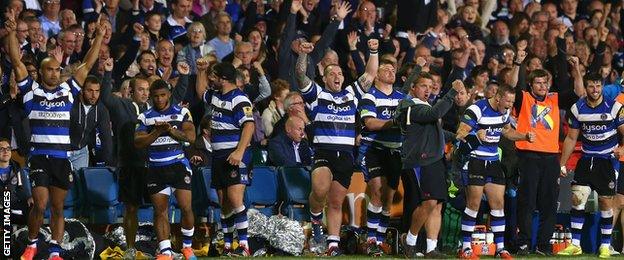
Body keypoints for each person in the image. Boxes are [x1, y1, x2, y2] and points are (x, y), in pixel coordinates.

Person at [6, 10, 106, 260]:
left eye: (57, 69)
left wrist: (99, 38)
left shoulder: (68, 91)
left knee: (59, 207)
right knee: (40, 205)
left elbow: (88, 64)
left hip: (62, 158)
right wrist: (10, 35)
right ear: (40, 73)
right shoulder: (30, 92)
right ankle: (31, 244)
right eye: (49, 70)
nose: (54, 72)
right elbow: (17, 61)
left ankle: (54, 250)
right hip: (39, 157)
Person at [295, 35, 378, 255]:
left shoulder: (351, 94)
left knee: (335, 202)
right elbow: (300, 75)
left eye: (340, 73)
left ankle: (332, 244)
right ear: (324, 78)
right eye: (332, 73)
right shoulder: (317, 94)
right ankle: (314, 219)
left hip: (347, 156)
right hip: (324, 152)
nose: (337, 76)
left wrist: (374, 51)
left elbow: (370, 74)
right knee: (320, 190)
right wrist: (303, 53)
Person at [455, 84, 535, 259]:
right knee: (473, 205)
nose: (509, 106)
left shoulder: (504, 112)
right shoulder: (476, 109)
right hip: (474, 160)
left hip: (493, 161)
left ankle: (500, 249)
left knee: (498, 206)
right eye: (508, 101)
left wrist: (524, 136)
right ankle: (466, 249)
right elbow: (460, 134)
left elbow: (506, 131)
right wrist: (475, 136)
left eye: (512, 102)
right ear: (498, 98)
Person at [395, 76, 466, 258]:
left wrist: (455, 136)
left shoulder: (425, 108)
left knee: (437, 206)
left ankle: (431, 248)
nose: (427, 90)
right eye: (423, 86)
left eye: (430, 87)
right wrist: (451, 92)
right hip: (421, 160)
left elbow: (435, 130)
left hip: (435, 160)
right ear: (413, 88)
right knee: (429, 202)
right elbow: (434, 115)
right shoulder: (411, 106)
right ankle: (409, 240)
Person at [557, 73, 624, 258]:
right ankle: (575, 245)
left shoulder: (615, 107)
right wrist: (562, 164)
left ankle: (605, 245)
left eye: (598, 86)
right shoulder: (577, 108)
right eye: (591, 87)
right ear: (585, 88)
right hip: (586, 159)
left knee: (605, 202)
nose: (595, 90)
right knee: (577, 200)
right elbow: (571, 137)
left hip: (607, 160)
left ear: (602, 86)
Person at [195, 61, 255, 256]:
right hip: (219, 155)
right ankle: (228, 244)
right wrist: (201, 71)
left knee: (235, 198)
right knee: (224, 202)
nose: (211, 79)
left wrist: (239, 152)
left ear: (223, 79)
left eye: (213, 75)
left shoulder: (239, 99)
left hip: (235, 154)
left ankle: (244, 244)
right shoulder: (216, 96)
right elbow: (200, 91)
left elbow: (249, 126)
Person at [134, 79, 197, 260]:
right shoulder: (145, 117)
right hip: (156, 167)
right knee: (160, 210)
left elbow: (191, 137)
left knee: (186, 207)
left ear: (169, 94)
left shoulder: (182, 112)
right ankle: (166, 251)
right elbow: (137, 142)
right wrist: (156, 132)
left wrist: (170, 130)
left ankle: (187, 247)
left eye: (163, 95)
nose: (159, 99)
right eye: (156, 96)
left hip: (178, 165)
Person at [356, 59, 406, 256]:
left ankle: (381, 238)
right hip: (375, 149)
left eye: (393, 69)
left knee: (389, 197)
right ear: (376, 75)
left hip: (396, 151)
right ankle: (370, 239)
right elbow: (370, 123)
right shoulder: (370, 97)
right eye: (386, 69)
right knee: (377, 191)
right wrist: (394, 122)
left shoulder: (403, 98)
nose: (391, 72)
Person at [515, 69, 563, 255]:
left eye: (545, 83)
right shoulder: (524, 99)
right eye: (538, 83)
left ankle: (544, 245)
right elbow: (514, 85)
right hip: (528, 156)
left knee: (549, 203)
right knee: (526, 202)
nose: (542, 86)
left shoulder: (555, 99)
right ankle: (523, 243)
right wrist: (518, 63)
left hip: (551, 157)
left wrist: (575, 70)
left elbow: (576, 92)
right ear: (530, 85)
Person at [68, 76, 113, 170]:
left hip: (81, 152)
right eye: (90, 90)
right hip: (63, 150)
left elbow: (106, 138)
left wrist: (108, 165)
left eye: (97, 91)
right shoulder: (71, 104)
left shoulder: (101, 109)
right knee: (64, 183)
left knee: (80, 182)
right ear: (82, 90)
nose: (94, 95)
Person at [0, 137, 32, 226]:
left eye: (8, 149)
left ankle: (27, 236)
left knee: (32, 206)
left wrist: (29, 198)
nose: (5, 152)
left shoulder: (18, 170)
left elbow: (24, 193)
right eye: (1, 149)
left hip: (13, 206)